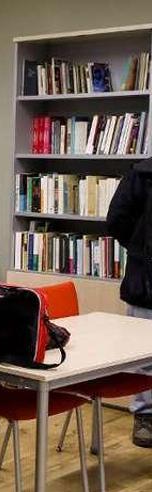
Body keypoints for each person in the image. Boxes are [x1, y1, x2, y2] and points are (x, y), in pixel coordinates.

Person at [105, 157, 152, 448]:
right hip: (147, 284)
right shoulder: (142, 174)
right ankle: (145, 416)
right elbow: (117, 221)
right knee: (145, 358)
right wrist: (144, 249)